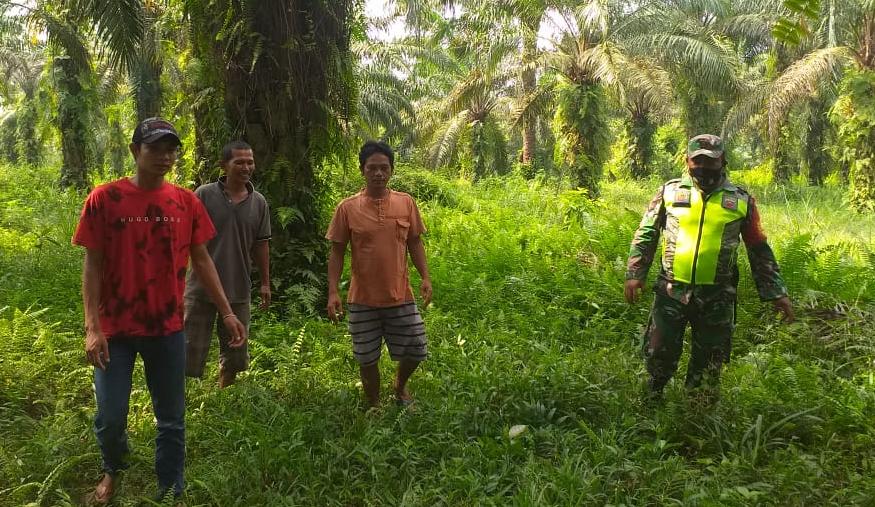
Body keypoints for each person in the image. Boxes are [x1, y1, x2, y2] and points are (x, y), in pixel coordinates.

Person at [73, 117, 247, 504]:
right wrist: (91, 326)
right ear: (136, 151)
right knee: (111, 415)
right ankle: (112, 470)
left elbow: (202, 260)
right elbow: (92, 265)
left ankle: (171, 488)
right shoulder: (104, 199)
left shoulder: (186, 202)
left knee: (171, 418)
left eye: (171, 149)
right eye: (155, 148)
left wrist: (228, 312)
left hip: (168, 327)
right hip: (114, 330)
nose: (165, 156)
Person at [625, 134, 794, 400]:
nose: (703, 167)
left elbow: (758, 248)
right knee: (659, 352)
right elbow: (647, 233)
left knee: (709, 362)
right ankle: (652, 403)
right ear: (687, 161)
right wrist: (635, 273)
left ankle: (697, 415)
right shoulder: (669, 192)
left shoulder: (740, 200)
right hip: (671, 290)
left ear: (723, 161)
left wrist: (776, 292)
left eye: (711, 161)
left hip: (717, 296)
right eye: (698, 161)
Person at [326, 140, 432, 408]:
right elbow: (337, 252)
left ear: (391, 171)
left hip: (400, 295)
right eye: (372, 168)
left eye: (384, 168)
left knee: (417, 348)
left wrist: (426, 278)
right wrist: (332, 292)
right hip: (362, 299)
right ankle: (373, 403)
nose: (378, 174)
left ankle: (399, 386)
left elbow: (415, 243)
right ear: (362, 170)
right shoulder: (347, 208)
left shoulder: (405, 203)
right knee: (367, 357)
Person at [184, 141, 271, 388]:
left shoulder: (259, 202)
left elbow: (261, 245)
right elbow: (187, 240)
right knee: (188, 350)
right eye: (239, 162)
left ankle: (224, 397)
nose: (246, 167)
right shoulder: (203, 195)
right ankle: (183, 404)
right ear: (224, 165)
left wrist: (265, 282)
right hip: (199, 290)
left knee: (235, 353)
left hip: (238, 288)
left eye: (250, 162)